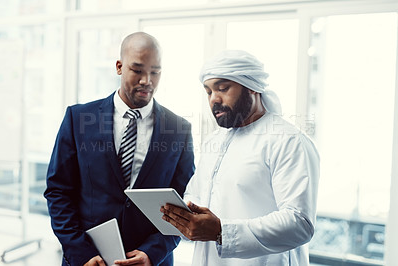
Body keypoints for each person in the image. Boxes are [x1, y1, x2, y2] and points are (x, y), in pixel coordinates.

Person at [44, 32, 195, 266]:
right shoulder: (78, 119)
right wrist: (80, 252)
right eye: (137, 70)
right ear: (119, 67)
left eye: (155, 72)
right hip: (88, 259)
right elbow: (58, 191)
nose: (147, 80)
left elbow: (184, 201)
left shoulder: (178, 129)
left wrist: (153, 252)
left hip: (151, 260)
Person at [161, 50, 320, 265]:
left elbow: (300, 223)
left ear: (252, 86)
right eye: (208, 92)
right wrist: (183, 216)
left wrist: (221, 231)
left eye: (223, 88)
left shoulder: (288, 141)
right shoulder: (213, 142)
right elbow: (195, 197)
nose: (214, 99)